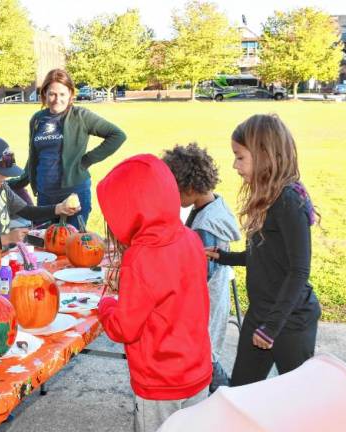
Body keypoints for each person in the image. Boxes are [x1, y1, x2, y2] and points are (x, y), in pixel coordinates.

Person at [96, 154, 212, 432]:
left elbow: (126, 328)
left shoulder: (140, 258)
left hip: (160, 382)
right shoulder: (190, 237)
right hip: (197, 370)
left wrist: (106, 306)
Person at [206, 114, 321, 387]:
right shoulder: (266, 198)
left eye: (240, 157)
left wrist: (272, 328)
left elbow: (298, 270)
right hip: (261, 313)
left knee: (298, 396)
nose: (234, 165)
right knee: (241, 391)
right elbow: (265, 256)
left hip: (289, 320)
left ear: (265, 155)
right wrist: (224, 256)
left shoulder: (289, 200)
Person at [162, 143, 241, 392]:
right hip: (213, 295)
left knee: (205, 355)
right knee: (205, 352)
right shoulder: (212, 203)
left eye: (176, 191)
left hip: (204, 301)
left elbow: (198, 273)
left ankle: (225, 395)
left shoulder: (205, 226)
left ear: (192, 188)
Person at [9, 68, 126, 229]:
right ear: (44, 94)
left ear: (70, 94)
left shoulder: (81, 116)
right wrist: (20, 181)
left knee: (72, 246)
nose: (57, 99)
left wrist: (86, 161)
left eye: (62, 94)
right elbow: (34, 155)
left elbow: (117, 135)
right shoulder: (37, 119)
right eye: (52, 94)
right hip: (45, 197)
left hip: (73, 195)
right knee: (45, 245)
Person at [0, 134, 79, 247]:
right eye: (1, 172)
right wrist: (7, 239)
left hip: (3, 257)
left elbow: (26, 211)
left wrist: (60, 208)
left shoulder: (1, 187)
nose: (6, 176)